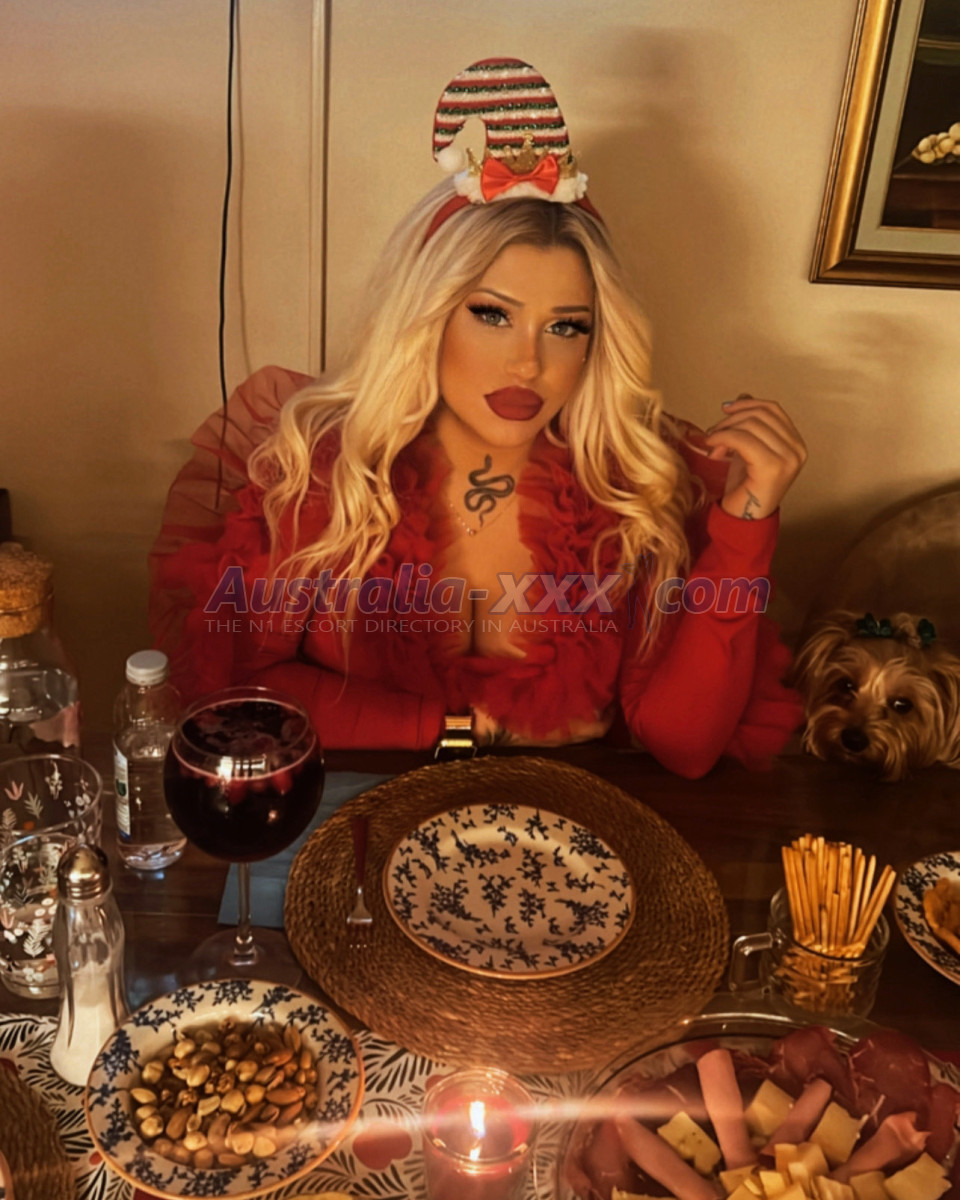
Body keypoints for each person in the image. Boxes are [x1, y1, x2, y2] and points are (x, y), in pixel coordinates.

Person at [149, 57, 806, 777]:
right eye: (492, 315)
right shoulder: (324, 468)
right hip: (345, 819)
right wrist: (468, 727)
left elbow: (684, 744)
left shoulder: (633, 491)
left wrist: (748, 521)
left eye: (566, 327)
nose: (528, 364)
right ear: (427, 314)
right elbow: (244, 695)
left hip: (555, 828)